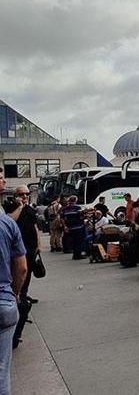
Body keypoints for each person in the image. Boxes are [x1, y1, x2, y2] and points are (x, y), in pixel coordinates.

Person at [0, 166, 29, 394]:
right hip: (4, 300)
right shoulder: (8, 223)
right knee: (2, 373)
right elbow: (21, 268)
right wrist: (15, 293)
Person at [3, 186, 39, 306]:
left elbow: (35, 226)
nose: (25, 196)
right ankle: (17, 294)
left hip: (31, 245)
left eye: (27, 194)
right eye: (21, 194)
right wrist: (19, 207)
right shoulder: (9, 207)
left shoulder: (30, 209)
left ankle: (24, 294)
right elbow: (10, 222)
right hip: (17, 246)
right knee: (19, 270)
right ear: (15, 196)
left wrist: (38, 243)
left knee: (28, 272)